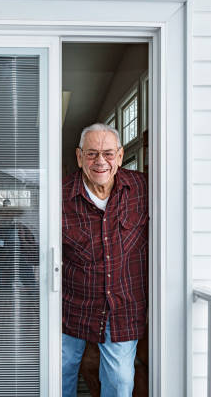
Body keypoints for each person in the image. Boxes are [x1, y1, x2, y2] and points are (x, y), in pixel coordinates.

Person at [62, 123, 149, 397]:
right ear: (79, 157)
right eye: (91, 154)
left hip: (123, 306)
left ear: (121, 156)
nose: (100, 161)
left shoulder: (143, 188)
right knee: (61, 371)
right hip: (72, 304)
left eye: (108, 153)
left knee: (121, 380)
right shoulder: (59, 195)